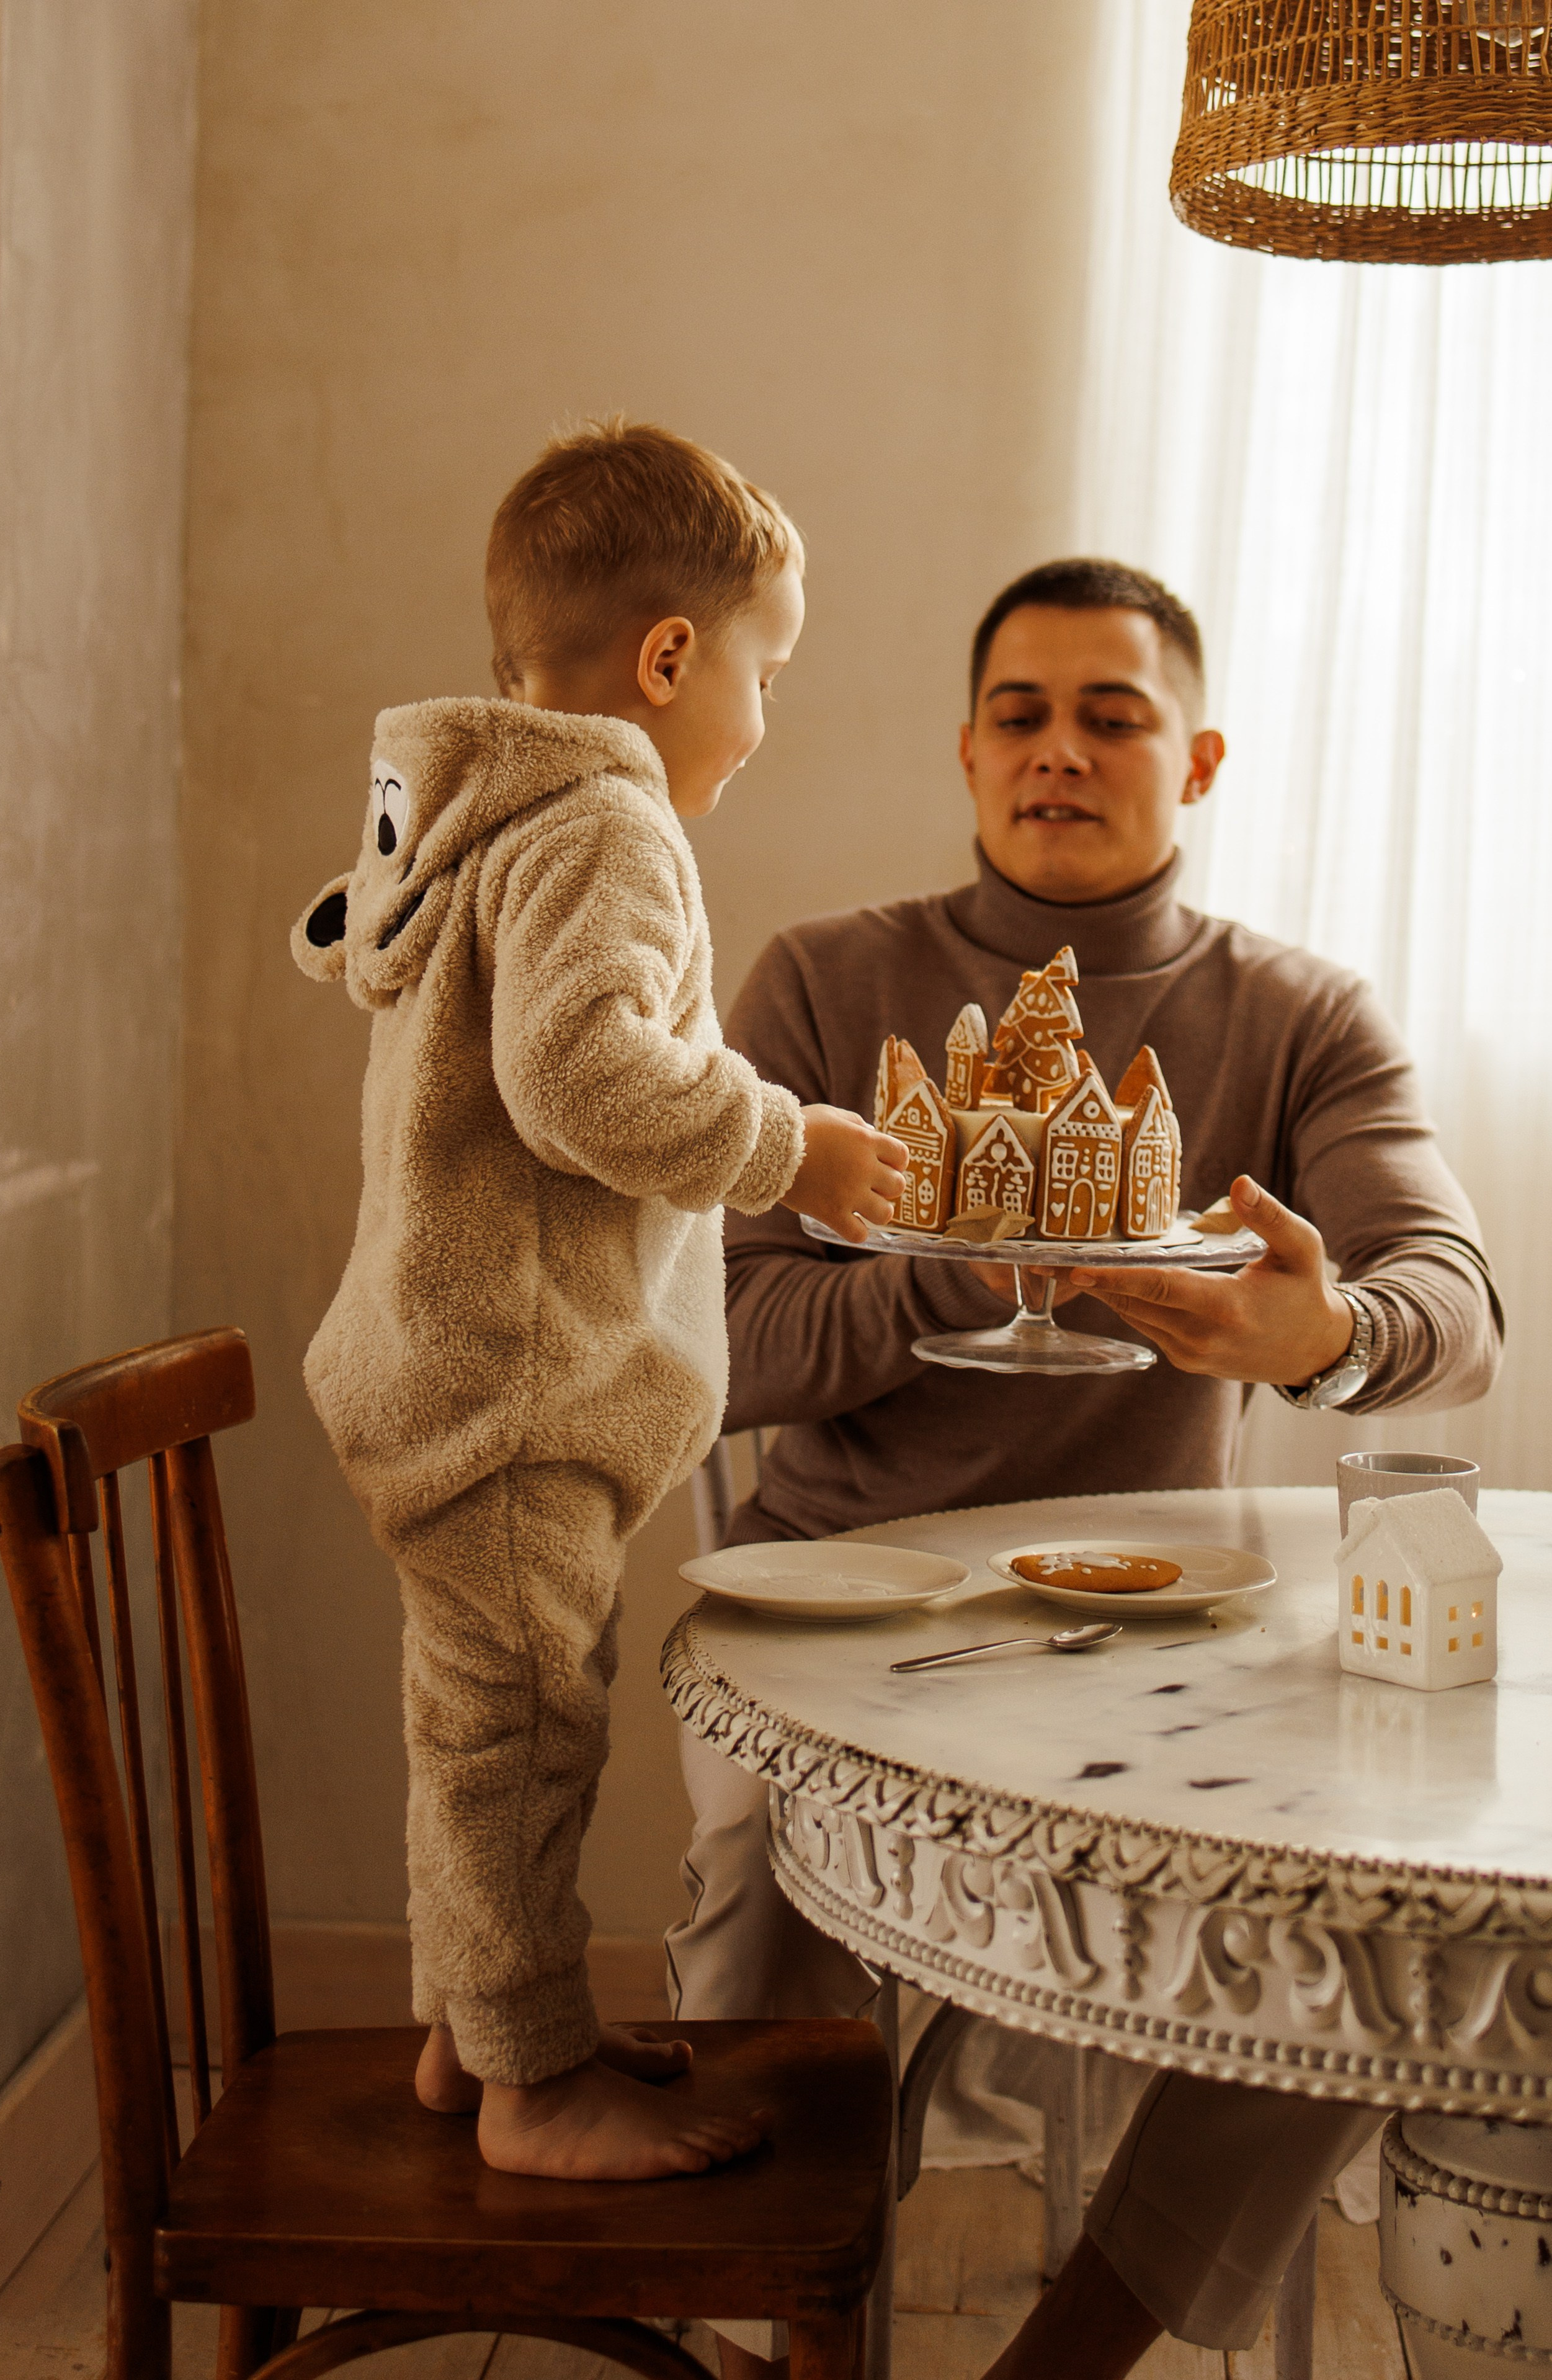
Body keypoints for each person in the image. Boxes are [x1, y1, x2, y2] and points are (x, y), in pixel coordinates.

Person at [667, 558, 1501, 2371]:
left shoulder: (1300, 1017)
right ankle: (775, 2344)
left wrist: (1326, 1339)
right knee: (759, 1912)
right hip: (837, 1608)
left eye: (1111, 716)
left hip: (1164, 1631)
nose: (1063, 751)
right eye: (1024, 716)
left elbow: (1457, 1298)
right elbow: (708, 1350)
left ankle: (1075, 2357)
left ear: (1193, 763)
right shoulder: (824, 987)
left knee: (1359, 1936)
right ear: (967, 755)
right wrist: (957, 1268)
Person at [292, 420, 907, 2182]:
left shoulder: (480, 822)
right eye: (766, 673)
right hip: (508, 1386)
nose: (766, 717)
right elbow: (581, 1078)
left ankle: (477, 2030)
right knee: (522, 1731)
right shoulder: (607, 828)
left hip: (457, 1366)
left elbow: (405, 975)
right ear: (671, 660)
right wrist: (795, 1147)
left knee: (481, 1720)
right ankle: (530, 2091)